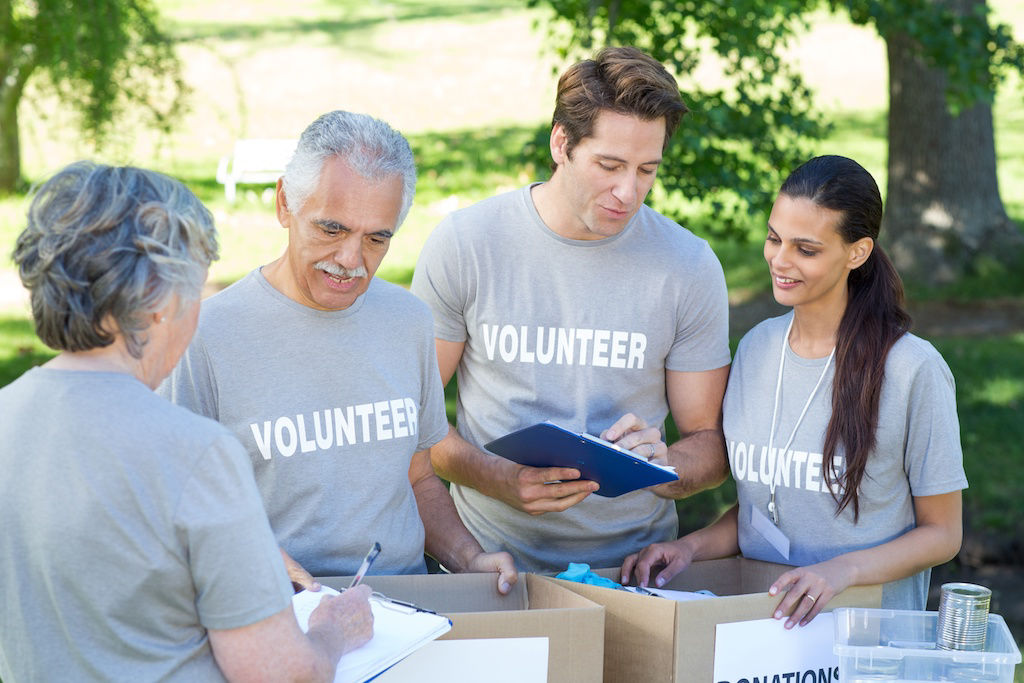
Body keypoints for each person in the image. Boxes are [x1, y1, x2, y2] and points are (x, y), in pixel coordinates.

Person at [0, 162, 373, 681]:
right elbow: (284, 675)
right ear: (159, 301)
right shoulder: (193, 453)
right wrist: (335, 630)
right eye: (193, 292)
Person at [161, 110, 516, 594]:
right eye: (331, 229)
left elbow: (417, 480)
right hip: (272, 614)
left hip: (408, 609)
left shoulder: (409, 321)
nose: (351, 261)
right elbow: (173, 503)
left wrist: (468, 557)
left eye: (376, 239)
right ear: (285, 204)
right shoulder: (205, 337)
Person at [410, 46, 732, 573]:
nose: (628, 192)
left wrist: (665, 464)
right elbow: (412, 424)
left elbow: (711, 446)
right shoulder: (467, 244)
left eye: (647, 170)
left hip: (632, 573)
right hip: (490, 565)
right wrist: (498, 478)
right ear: (562, 143)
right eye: (609, 165)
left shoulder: (688, 264)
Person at [623, 155, 967, 627]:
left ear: (857, 252)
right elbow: (765, 509)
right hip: (764, 635)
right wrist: (689, 548)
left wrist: (840, 572)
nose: (780, 260)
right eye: (774, 238)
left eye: (806, 249)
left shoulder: (913, 369)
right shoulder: (756, 348)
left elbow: (943, 534)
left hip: (864, 642)